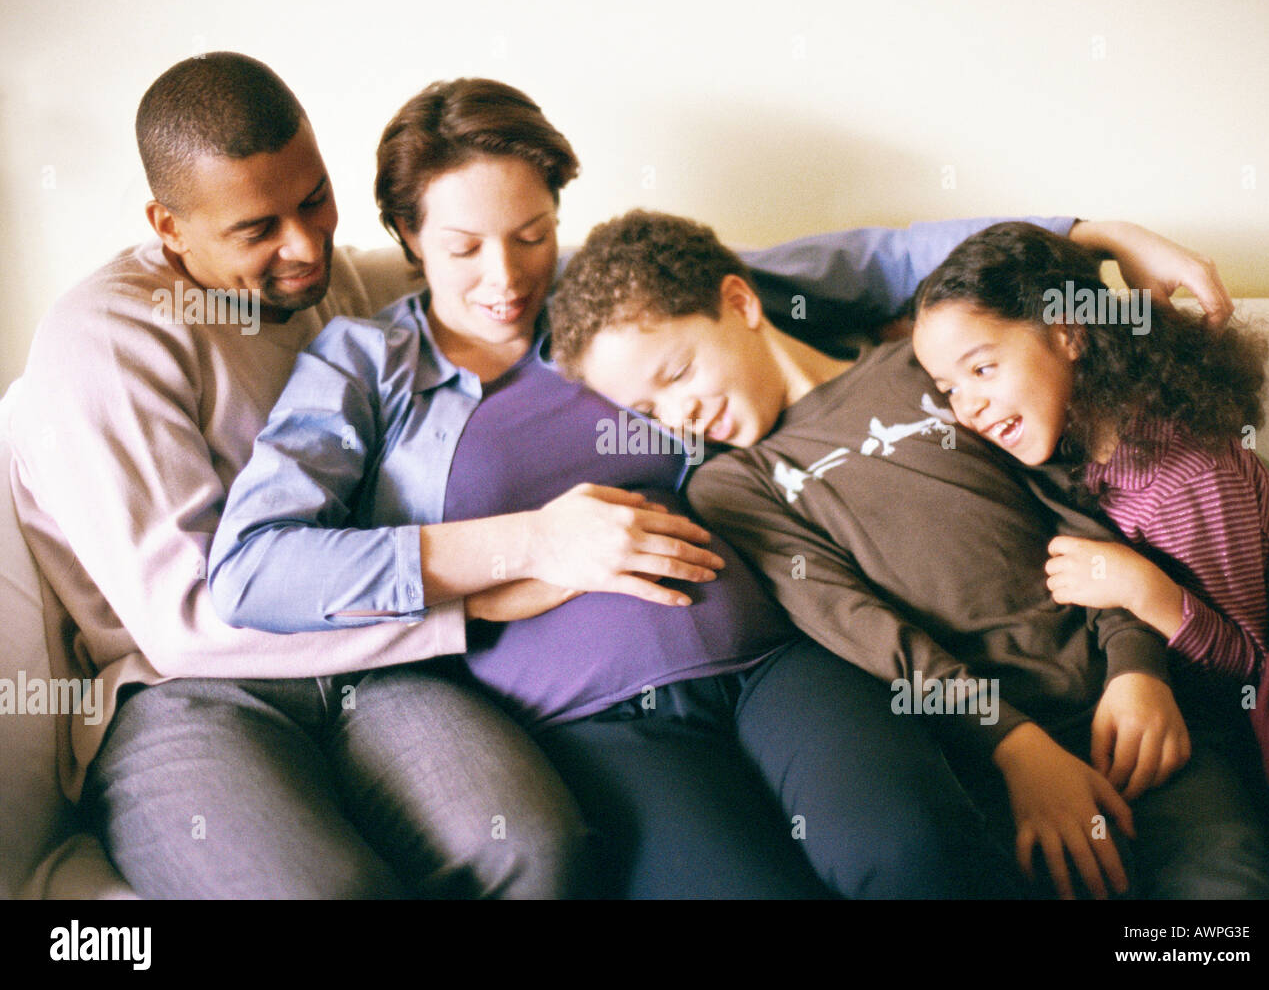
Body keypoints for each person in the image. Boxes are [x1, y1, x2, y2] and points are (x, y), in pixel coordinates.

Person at [203, 75, 1204, 899]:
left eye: (532, 233)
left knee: (910, 857)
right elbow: (253, 571)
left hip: (779, 656)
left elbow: (880, 259)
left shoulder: (621, 308)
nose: (506, 278)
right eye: (463, 248)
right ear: (406, 238)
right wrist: (533, 544)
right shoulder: (365, 363)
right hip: (596, 722)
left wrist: (1097, 234)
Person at [546, 208, 1269, 898]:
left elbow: (1079, 506)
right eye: (648, 411)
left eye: (676, 374)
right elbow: (869, 631)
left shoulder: (931, 367)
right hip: (997, 752)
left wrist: (1138, 667)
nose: (681, 414)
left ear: (741, 304)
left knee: (1223, 901)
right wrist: (1015, 746)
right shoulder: (734, 486)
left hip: (1132, 703)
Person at [9, 53, 592, 898]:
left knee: (535, 848)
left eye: (314, 197)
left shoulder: (342, 285)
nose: (305, 247)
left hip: (373, 679)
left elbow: (491, 269)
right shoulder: (104, 339)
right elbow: (186, 621)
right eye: (257, 230)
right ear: (169, 226)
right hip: (187, 693)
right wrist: (466, 601)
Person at [909, 220, 1269, 833]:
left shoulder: (1181, 481)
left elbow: (1246, 663)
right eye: (948, 388)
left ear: (1067, 334)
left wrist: (1144, 591)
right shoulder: (1070, 440)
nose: (967, 407)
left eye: (982, 370)